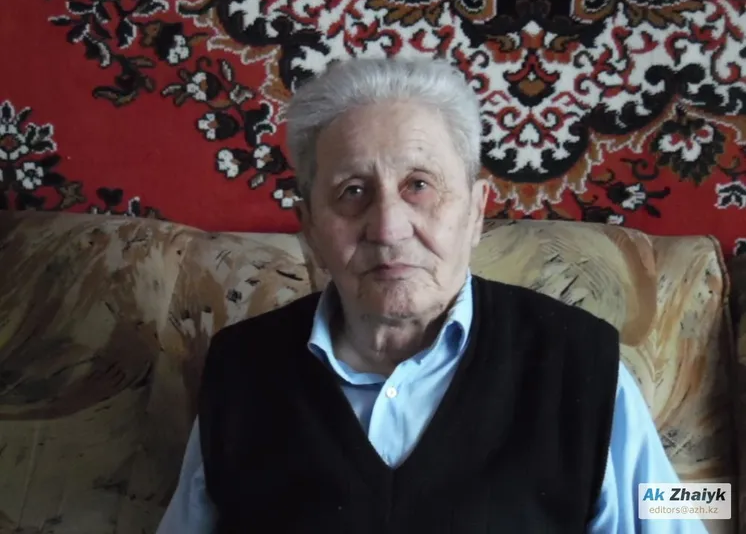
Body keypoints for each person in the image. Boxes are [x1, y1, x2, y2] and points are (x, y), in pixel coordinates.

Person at [157, 57, 708, 533]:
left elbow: (678, 509)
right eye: (352, 191)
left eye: (419, 185)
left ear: (475, 211)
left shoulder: (582, 366)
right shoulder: (241, 371)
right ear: (310, 227)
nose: (389, 227)